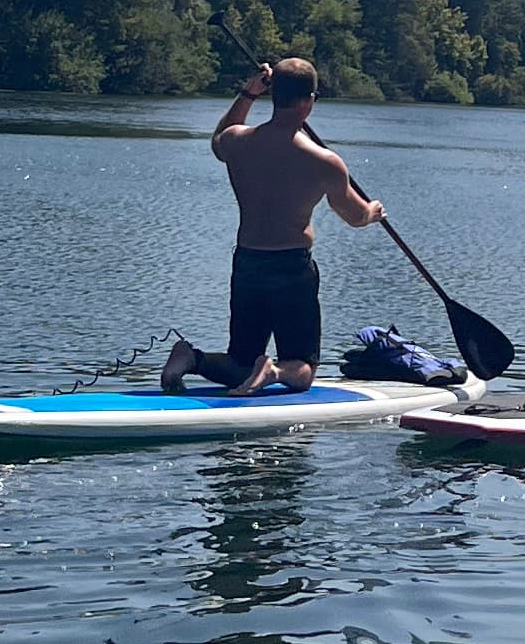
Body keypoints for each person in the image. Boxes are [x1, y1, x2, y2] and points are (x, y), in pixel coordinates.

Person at [162, 60, 384, 396]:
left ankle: (191, 358)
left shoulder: (237, 142)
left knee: (240, 363)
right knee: (303, 368)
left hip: (248, 262)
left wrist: (248, 94)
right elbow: (354, 216)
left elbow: (220, 138)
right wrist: (373, 212)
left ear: (272, 94)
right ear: (309, 101)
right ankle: (275, 369)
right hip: (291, 268)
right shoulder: (324, 161)